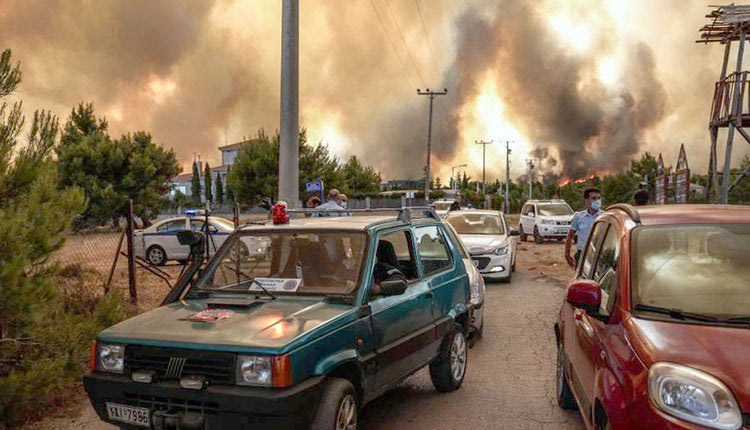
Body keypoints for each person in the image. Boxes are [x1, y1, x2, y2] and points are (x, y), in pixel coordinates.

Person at [565, 187, 603, 268]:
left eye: (599, 198)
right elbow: (570, 236)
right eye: (593, 198)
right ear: (586, 201)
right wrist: (567, 254)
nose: (597, 201)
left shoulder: (605, 216)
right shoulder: (579, 217)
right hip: (582, 253)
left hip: (599, 254)